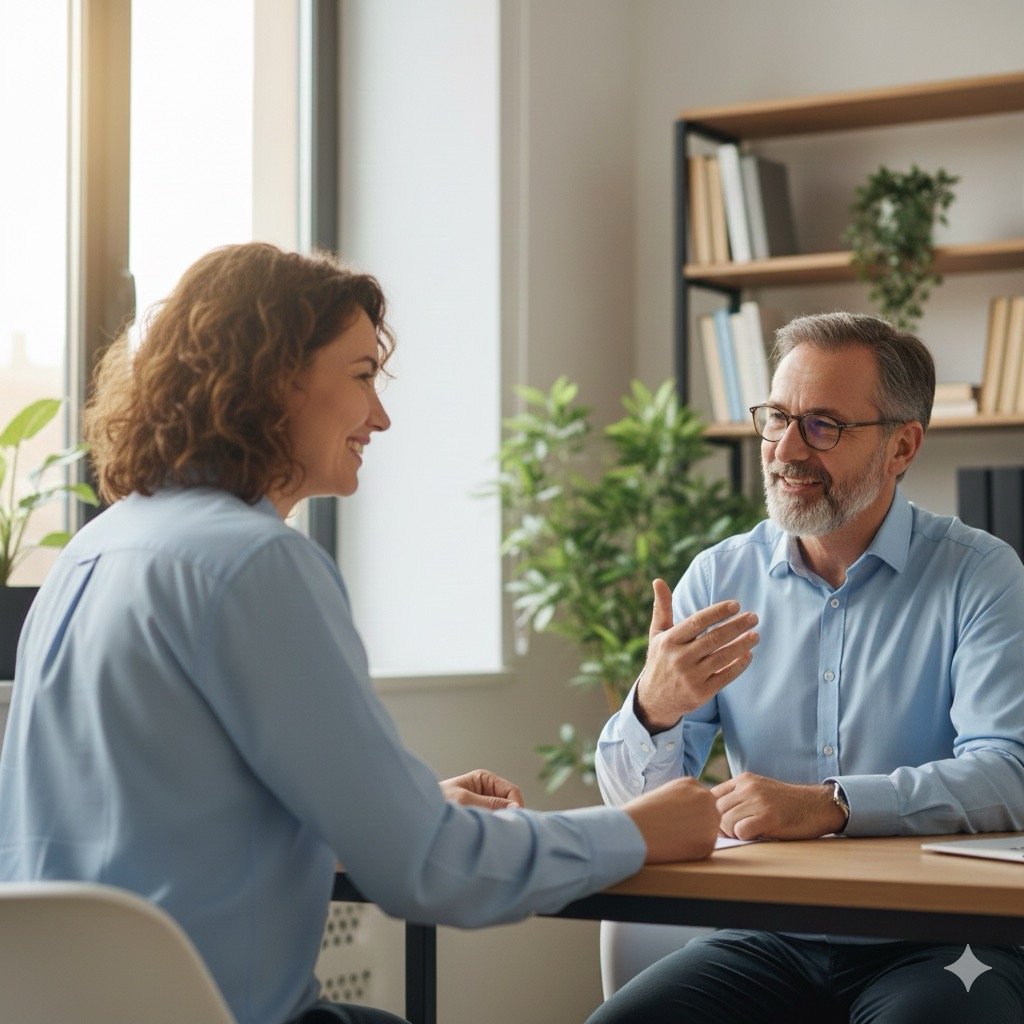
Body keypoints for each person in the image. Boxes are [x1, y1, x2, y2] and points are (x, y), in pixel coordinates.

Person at [0, 243, 721, 1024]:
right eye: (361, 376)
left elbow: (157, 825)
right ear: (277, 378)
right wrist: (632, 831)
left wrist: (387, 812)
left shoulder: (93, 550)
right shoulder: (255, 564)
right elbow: (431, 871)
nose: (380, 415)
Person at [588, 312, 1024, 1024]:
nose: (786, 449)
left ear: (902, 446)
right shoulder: (720, 576)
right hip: (769, 935)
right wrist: (653, 707)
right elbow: (640, 807)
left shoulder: (980, 576)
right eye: (777, 418)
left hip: (941, 936)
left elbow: (1011, 773)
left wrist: (832, 805)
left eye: (823, 425)